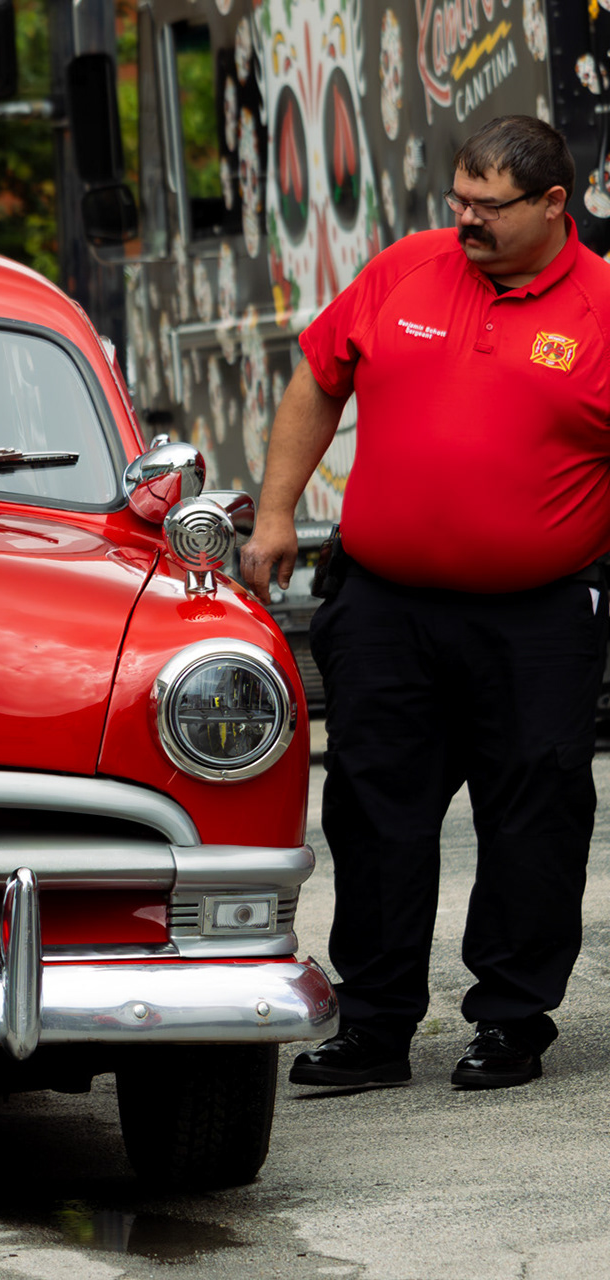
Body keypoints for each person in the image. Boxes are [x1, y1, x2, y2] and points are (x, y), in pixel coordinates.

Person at [242, 115, 610, 1092]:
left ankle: (511, 1019)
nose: (466, 220)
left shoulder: (606, 311)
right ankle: (373, 1023)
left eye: (489, 207)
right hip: (386, 609)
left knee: (535, 817)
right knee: (372, 813)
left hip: (535, 619)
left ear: (552, 205)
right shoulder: (408, 267)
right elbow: (318, 381)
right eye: (459, 199)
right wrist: (277, 511)